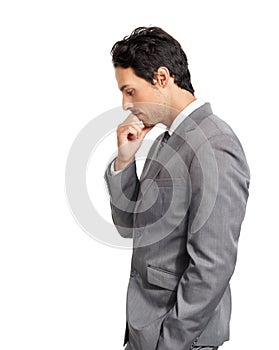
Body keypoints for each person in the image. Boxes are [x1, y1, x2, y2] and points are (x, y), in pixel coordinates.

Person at [104, 27, 250, 350]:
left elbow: (213, 266)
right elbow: (129, 225)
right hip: (144, 332)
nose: (125, 104)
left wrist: (169, 343)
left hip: (178, 341)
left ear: (161, 77)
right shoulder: (163, 141)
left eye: (130, 91)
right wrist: (125, 162)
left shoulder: (215, 144)